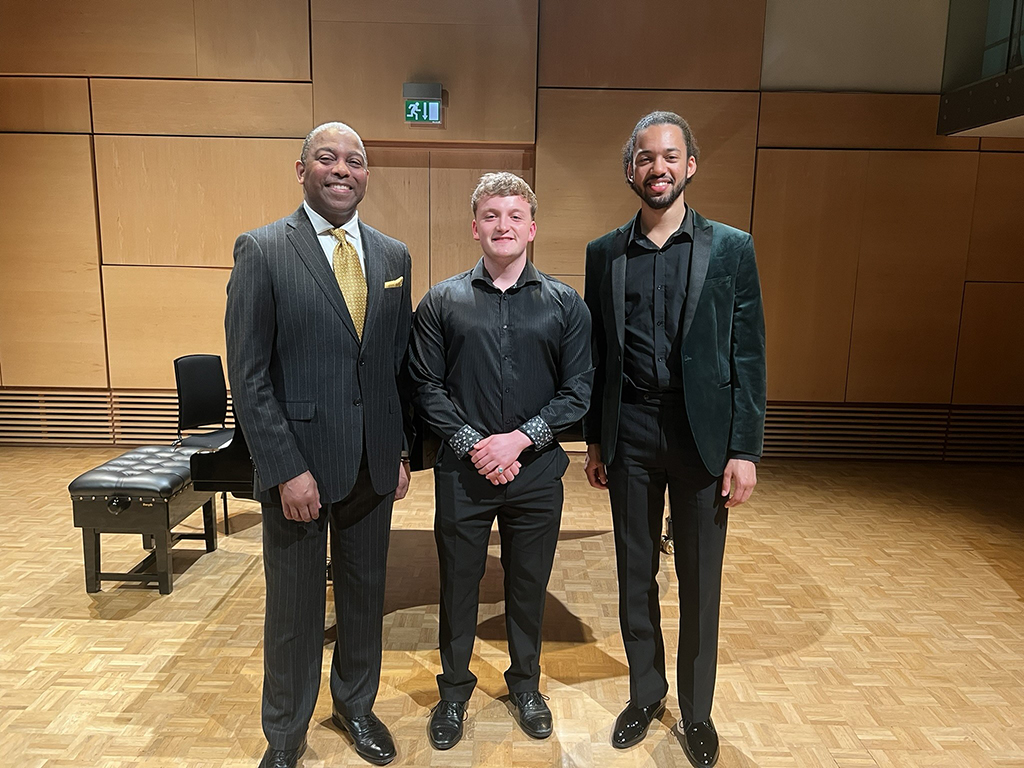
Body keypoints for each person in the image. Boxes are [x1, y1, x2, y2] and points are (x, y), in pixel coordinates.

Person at [225, 121, 413, 768]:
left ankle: (355, 707)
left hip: (372, 466)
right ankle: (284, 734)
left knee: (364, 600)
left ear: (366, 174)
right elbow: (248, 375)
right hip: (298, 473)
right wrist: (284, 468)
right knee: (295, 613)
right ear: (301, 168)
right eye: (327, 158)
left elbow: (395, 365)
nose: (342, 169)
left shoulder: (393, 258)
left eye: (355, 160)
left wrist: (400, 451)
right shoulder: (263, 250)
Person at [583, 111, 766, 767]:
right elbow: (599, 354)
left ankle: (696, 711)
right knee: (636, 575)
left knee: (699, 581)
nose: (656, 168)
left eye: (668, 156)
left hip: (702, 438)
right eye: (644, 158)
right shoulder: (604, 252)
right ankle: (644, 694)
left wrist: (744, 449)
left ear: (689, 165)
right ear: (631, 169)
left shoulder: (732, 248)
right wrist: (596, 441)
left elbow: (748, 354)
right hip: (628, 428)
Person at [409, 172, 593, 750]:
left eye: (514, 216)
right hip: (463, 474)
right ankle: (455, 690)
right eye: (491, 215)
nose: (503, 225)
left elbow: (579, 390)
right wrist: (475, 445)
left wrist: (517, 441)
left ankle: (525, 684)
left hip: (536, 474)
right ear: (475, 227)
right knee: (457, 586)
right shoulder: (441, 301)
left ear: (532, 228)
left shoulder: (566, 303)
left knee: (528, 584)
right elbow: (425, 384)